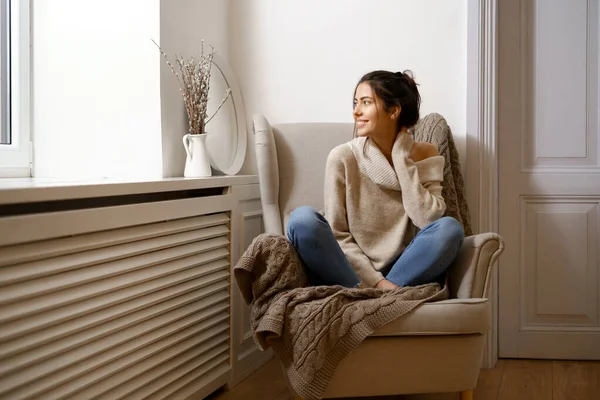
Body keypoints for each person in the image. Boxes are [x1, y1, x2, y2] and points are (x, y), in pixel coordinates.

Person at [286, 70, 464, 289]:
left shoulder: (426, 153)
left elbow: (427, 220)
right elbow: (337, 234)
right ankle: (380, 293)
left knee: (450, 229)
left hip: (405, 266)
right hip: (351, 270)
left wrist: (401, 159)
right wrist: (376, 282)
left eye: (366, 102)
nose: (356, 112)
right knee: (302, 220)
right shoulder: (342, 157)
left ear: (394, 111)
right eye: (355, 103)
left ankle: (376, 295)